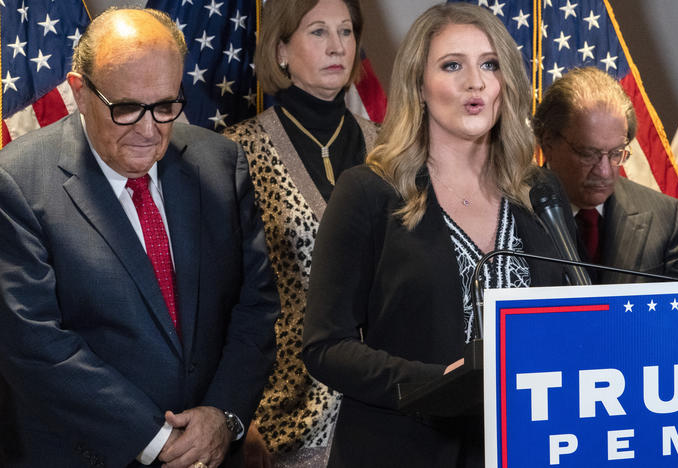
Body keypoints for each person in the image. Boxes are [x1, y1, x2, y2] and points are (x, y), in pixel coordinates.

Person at [0, 8, 279, 468]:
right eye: (127, 108)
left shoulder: (221, 163)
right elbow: (34, 345)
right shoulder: (18, 182)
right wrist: (156, 440)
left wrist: (222, 416)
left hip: (212, 453)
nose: (150, 131)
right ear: (80, 91)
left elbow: (255, 306)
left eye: (166, 106)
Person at [302, 3, 569, 467]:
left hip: (528, 446)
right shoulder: (368, 193)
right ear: (418, 86)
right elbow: (326, 347)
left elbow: (573, 319)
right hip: (406, 448)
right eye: (452, 66)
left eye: (489, 65)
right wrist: (437, 382)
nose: (476, 83)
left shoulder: (538, 192)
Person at [223, 0, 377, 466]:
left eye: (346, 31)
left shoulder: (393, 148)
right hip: (281, 415)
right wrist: (234, 412)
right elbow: (217, 299)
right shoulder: (235, 153)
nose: (337, 47)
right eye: (318, 32)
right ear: (281, 49)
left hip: (385, 404)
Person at [533, 66, 678, 283]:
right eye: (588, 153)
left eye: (616, 154)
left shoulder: (664, 216)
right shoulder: (508, 213)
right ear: (548, 141)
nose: (604, 171)